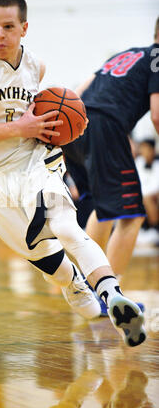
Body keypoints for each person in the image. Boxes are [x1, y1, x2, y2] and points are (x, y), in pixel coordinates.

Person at [0, 0, 146, 347]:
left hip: (34, 161)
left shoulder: (36, 65)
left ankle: (114, 294)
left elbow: (45, 119)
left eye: (8, 27)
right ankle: (83, 295)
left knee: (67, 225)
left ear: (24, 28)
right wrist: (18, 128)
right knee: (49, 262)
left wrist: (68, 127)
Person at [62, 17, 159, 282]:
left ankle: (89, 287)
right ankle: (109, 293)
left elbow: (79, 91)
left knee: (104, 212)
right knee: (132, 215)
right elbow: (158, 115)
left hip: (74, 124)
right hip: (105, 126)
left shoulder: (126, 54)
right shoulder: (157, 58)